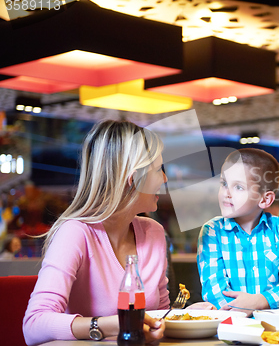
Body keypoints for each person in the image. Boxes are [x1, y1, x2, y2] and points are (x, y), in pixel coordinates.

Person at [23, 120, 214, 346]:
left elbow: (158, 314)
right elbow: (33, 325)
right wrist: (109, 325)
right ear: (133, 179)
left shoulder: (154, 232)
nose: (165, 178)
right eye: (158, 170)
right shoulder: (75, 233)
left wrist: (183, 316)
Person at [197, 148, 279, 314]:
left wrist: (259, 302)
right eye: (224, 184)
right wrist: (240, 311)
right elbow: (213, 288)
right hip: (231, 324)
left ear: (264, 199)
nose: (226, 193)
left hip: (275, 325)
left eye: (238, 187)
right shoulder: (212, 231)